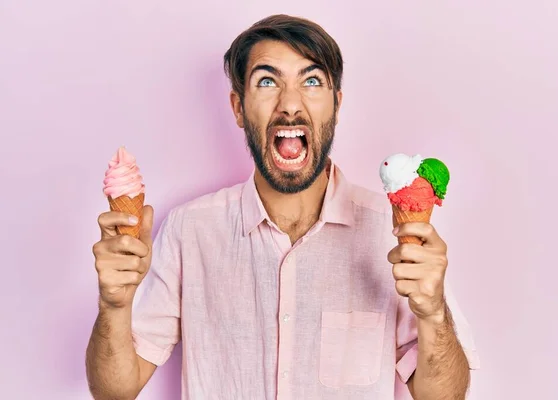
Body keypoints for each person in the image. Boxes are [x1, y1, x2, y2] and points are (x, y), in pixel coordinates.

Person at [86, 14, 479, 400]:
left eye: (311, 81)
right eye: (267, 81)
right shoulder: (190, 230)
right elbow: (115, 390)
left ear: (336, 106)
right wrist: (113, 306)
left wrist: (433, 314)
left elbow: (444, 397)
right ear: (239, 108)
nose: (290, 104)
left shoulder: (388, 233)